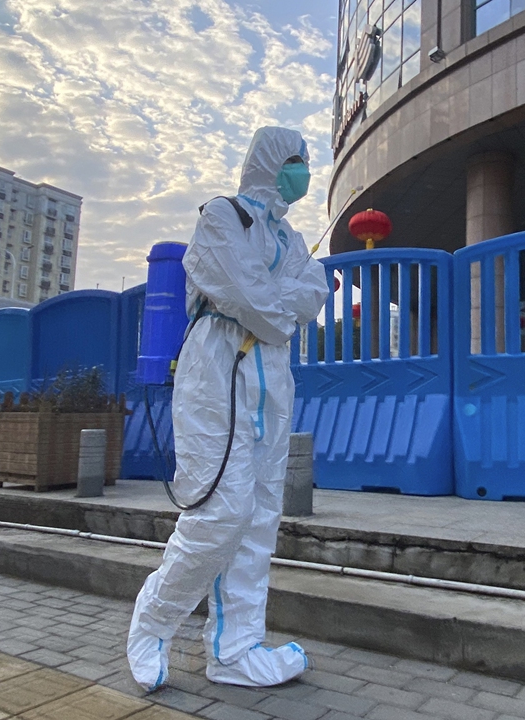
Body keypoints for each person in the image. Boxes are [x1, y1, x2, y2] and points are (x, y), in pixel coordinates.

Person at [127, 127, 329, 691]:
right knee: (219, 513)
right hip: (215, 376)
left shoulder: (289, 239)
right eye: (294, 160)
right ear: (268, 162)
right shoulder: (222, 217)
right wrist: (279, 302)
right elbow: (249, 300)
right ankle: (153, 623)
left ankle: (234, 648)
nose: (302, 171)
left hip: (272, 381)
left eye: (306, 162)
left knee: (261, 518)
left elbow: (310, 293)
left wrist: (275, 301)